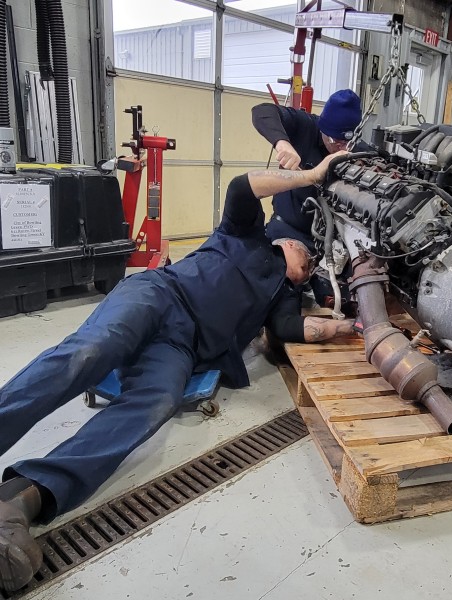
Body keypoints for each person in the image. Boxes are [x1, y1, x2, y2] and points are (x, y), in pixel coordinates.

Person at [0, 154, 355, 593]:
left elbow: (293, 329)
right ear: (285, 242)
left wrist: (345, 327)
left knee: (159, 402)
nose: (309, 259)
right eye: (306, 251)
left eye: (312, 264)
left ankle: (24, 495)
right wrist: (313, 174)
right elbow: (243, 187)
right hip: (159, 295)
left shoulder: (282, 297)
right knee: (90, 351)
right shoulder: (246, 234)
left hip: (180, 347)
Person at [252, 89, 369, 252]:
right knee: (293, 271)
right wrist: (282, 143)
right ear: (324, 128)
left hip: (335, 239)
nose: (341, 148)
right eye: (336, 141)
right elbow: (262, 111)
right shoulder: (304, 126)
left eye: (348, 143)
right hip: (289, 231)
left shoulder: (360, 151)